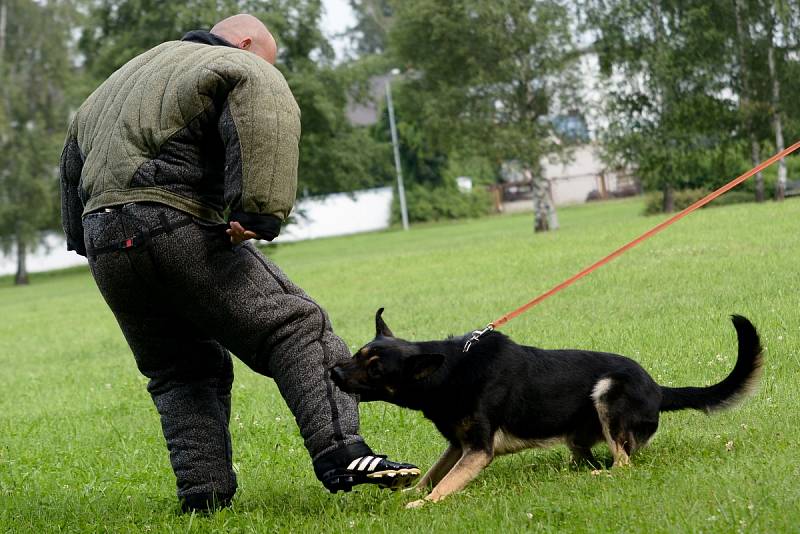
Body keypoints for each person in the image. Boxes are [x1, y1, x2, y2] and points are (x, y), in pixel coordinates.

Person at [59, 14, 419, 513]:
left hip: (107, 246)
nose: (265, 67)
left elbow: (70, 165)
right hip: (174, 223)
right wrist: (258, 213)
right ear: (246, 43)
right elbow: (265, 106)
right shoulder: (232, 62)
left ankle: (202, 498)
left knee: (181, 369)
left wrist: (85, 239)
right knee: (297, 328)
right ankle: (343, 452)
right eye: (265, 58)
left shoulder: (114, 84)